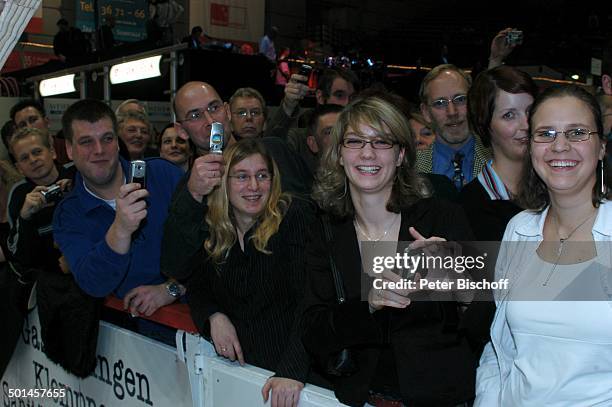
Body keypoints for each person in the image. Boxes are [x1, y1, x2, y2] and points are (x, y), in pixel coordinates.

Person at [302, 96, 477, 406]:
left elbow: (484, 319)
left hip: (440, 398)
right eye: (354, 141)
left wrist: (455, 279)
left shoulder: (443, 217)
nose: (367, 153)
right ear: (339, 155)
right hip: (362, 397)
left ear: (400, 155)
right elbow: (313, 333)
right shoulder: (325, 229)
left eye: (381, 142)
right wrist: (367, 305)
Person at [475, 85, 612, 406]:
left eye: (577, 133)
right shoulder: (520, 230)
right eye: (545, 134)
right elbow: (499, 346)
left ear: (602, 147)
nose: (559, 146)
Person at [189, 138, 314, 407]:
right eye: (242, 177)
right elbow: (198, 285)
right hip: (242, 377)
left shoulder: (294, 217)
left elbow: (311, 300)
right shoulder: (216, 231)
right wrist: (213, 315)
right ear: (224, 182)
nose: (254, 187)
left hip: (296, 383)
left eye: (261, 176)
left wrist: (292, 370)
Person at [161, 81, 312, 281]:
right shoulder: (189, 189)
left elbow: (316, 220)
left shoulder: (275, 152)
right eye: (195, 115)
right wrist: (194, 196)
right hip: (237, 304)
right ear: (181, 130)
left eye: (214, 108)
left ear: (227, 111)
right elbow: (176, 267)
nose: (210, 120)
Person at [53, 100, 185, 317]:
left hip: (204, 319)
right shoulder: (68, 215)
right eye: (86, 142)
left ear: (117, 141)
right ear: (69, 149)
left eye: (107, 139)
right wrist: (121, 230)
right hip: (132, 337)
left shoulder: (162, 175)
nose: (99, 150)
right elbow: (94, 283)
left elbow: (214, 241)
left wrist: (172, 289)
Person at [460, 66, 538, 241]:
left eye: (531, 111)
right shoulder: (473, 203)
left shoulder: (557, 184)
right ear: (485, 124)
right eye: (509, 115)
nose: (526, 124)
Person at [417, 64, 491, 190]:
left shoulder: (498, 159)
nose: (452, 112)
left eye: (461, 99)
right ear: (426, 113)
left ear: (473, 102)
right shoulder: (411, 168)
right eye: (440, 103)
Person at [10, 100, 70, 165]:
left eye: (33, 120)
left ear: (47, 121)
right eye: (22, 125)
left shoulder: (68, 147)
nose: (29, 127)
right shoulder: (24, 160)